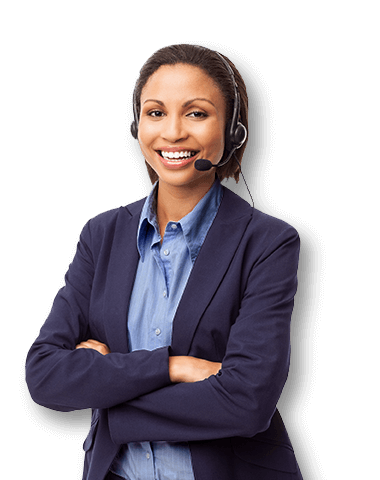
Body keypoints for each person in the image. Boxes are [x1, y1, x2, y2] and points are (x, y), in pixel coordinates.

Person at [25, 44, 303, 480]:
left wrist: (107, 394)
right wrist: (173, 366)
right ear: (137, 126)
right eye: (155, 113)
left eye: (196, 113)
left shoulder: (268, 242)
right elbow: (44, 374)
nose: (172, 132)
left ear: (233, 132)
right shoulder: (101, 234)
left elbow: (248, 403)